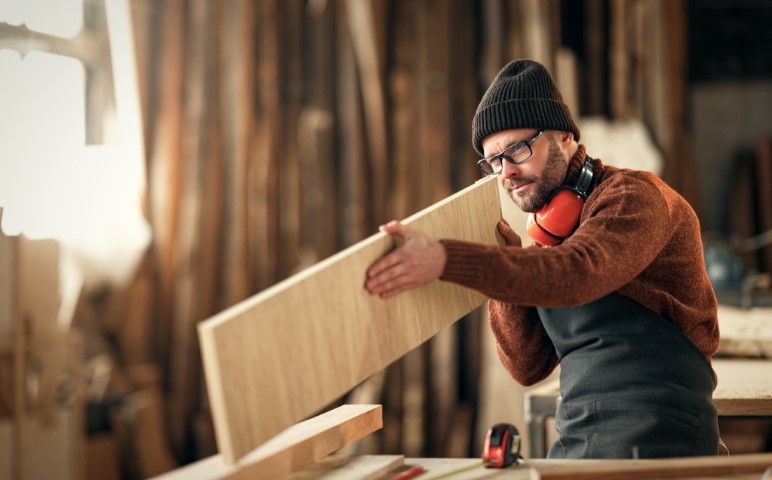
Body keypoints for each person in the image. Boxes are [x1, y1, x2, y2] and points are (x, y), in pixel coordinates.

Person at [364, 59, 720, 459]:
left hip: (663, 447)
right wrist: (507, 271)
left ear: (565, 136)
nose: (506, 173)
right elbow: (526, 366)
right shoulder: (552, 242)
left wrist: (448, 259)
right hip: (581, 445)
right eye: (494, 161)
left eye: (517, 149)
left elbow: (580, 272)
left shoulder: (635, 198)